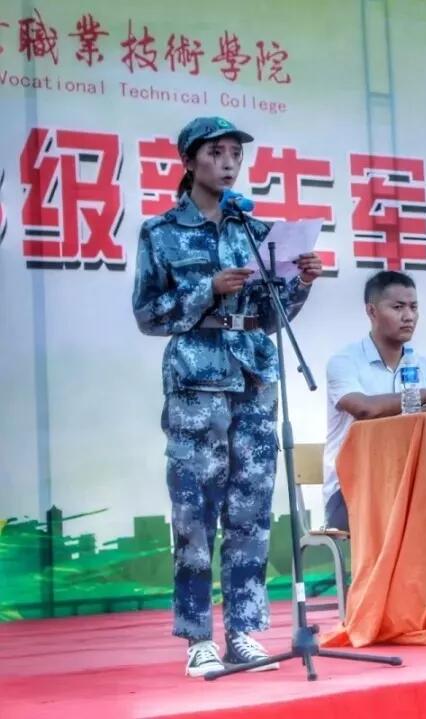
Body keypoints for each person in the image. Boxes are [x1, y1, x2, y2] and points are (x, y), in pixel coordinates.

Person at [132, 117, 323, 677]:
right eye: (216, 152)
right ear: (190, 161)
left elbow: (271, 316)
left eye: (235, 153)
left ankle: (243, 632)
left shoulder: (254, 229)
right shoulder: (161, 232)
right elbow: (148, 315)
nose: (229, 162)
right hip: (197, 384)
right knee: (194, 513)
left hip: (255, 381)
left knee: (251, 513)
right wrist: (206, 289)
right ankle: (198, 637)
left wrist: (300, 283)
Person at [323, 271, 426, 532]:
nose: (409, 316)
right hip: (353, 490)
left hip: (414, 485)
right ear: (371, 311)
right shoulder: (345, 361)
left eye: (413, 307)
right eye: (398, 307)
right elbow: (364, 408)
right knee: (420, 520)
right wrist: (425, 396)